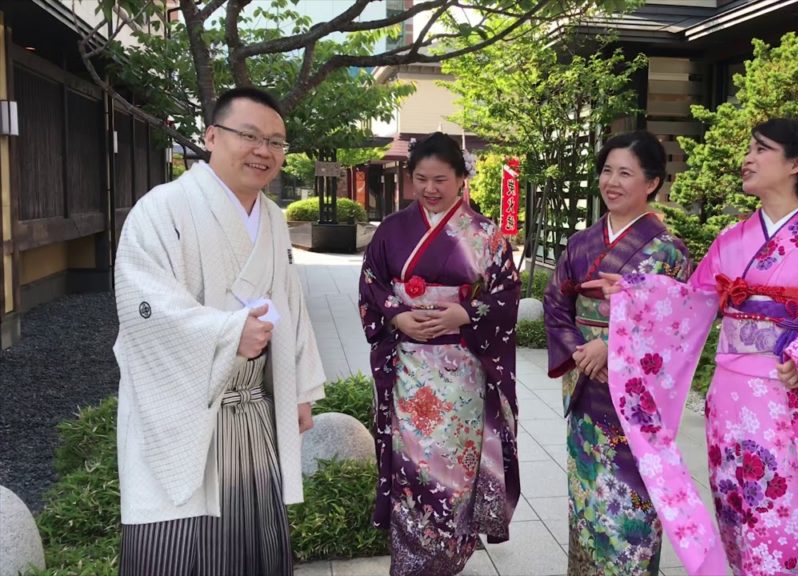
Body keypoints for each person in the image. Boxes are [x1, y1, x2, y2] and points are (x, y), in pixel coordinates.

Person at [590, 118, 798, 575]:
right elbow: (694, 301)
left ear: (796, 163)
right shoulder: (732, 240)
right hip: (732, 403)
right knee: (740, 512)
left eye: (760, 149)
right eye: (749, 148)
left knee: (794, 522)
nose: (747, 158)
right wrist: (637, 292)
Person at [113, 87, 326, 575]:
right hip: (182, 408)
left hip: (253, 410)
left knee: (254, 542)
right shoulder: (162, 208)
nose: (263, 150)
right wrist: (228, 333)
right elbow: (143, 304)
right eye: (248, 135)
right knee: (176, 543)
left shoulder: (271, 218)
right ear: (211, 136)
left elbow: (290, 305)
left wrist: (299, 389)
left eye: (276, 141)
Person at [358, 132, 521, 576]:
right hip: (408, 367)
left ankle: (448, 556)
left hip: (462, 373)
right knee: (411, 467)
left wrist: (464, 314)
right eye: (421, 179)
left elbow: (507, 294)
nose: (430, 189)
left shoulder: (485, 234)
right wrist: (395, 316)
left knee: (453, 470)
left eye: (441, 180)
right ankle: (410, 560)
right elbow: (371, 281)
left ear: (461, 179)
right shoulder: (392, 230)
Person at [542, 130, 692, 575]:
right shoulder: (581, 243)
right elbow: (556, 304)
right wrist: (580, 351)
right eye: (607, 170)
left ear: (652, 183)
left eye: (625, 173)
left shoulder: (669, 251)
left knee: (633, 498)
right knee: (587, 493)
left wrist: (615, 345)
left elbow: (677, 326)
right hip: (588, 381)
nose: (612, 181)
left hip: (636, 395)